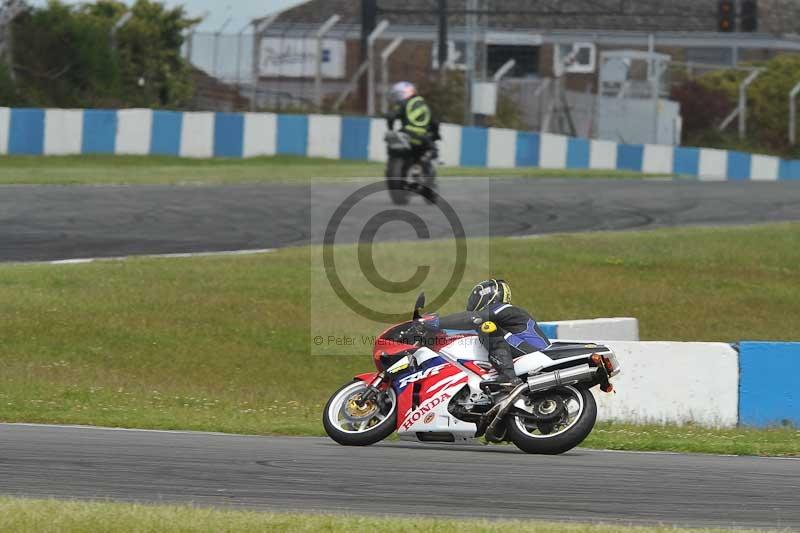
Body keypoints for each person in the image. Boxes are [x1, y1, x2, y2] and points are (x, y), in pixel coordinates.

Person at [418, 279, 551, 392]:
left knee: (487, 327)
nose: (472, 302)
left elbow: (473, 318)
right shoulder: (504, 316)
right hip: (528, 355)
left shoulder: (504, 309)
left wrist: (435, 322)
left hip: (535, 354)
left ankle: (508, 376)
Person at [386, 81, 440, 153]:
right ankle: (426, 159)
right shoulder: (424, 105)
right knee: (433, 151)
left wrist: (391, 129)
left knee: (392, 146)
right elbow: (435, 123)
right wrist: (436, 135)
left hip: (406, 134)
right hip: (423, 137)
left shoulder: (403, 103)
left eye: (397, 95)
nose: (396, 98)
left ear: (403, 94)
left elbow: (391, 116)